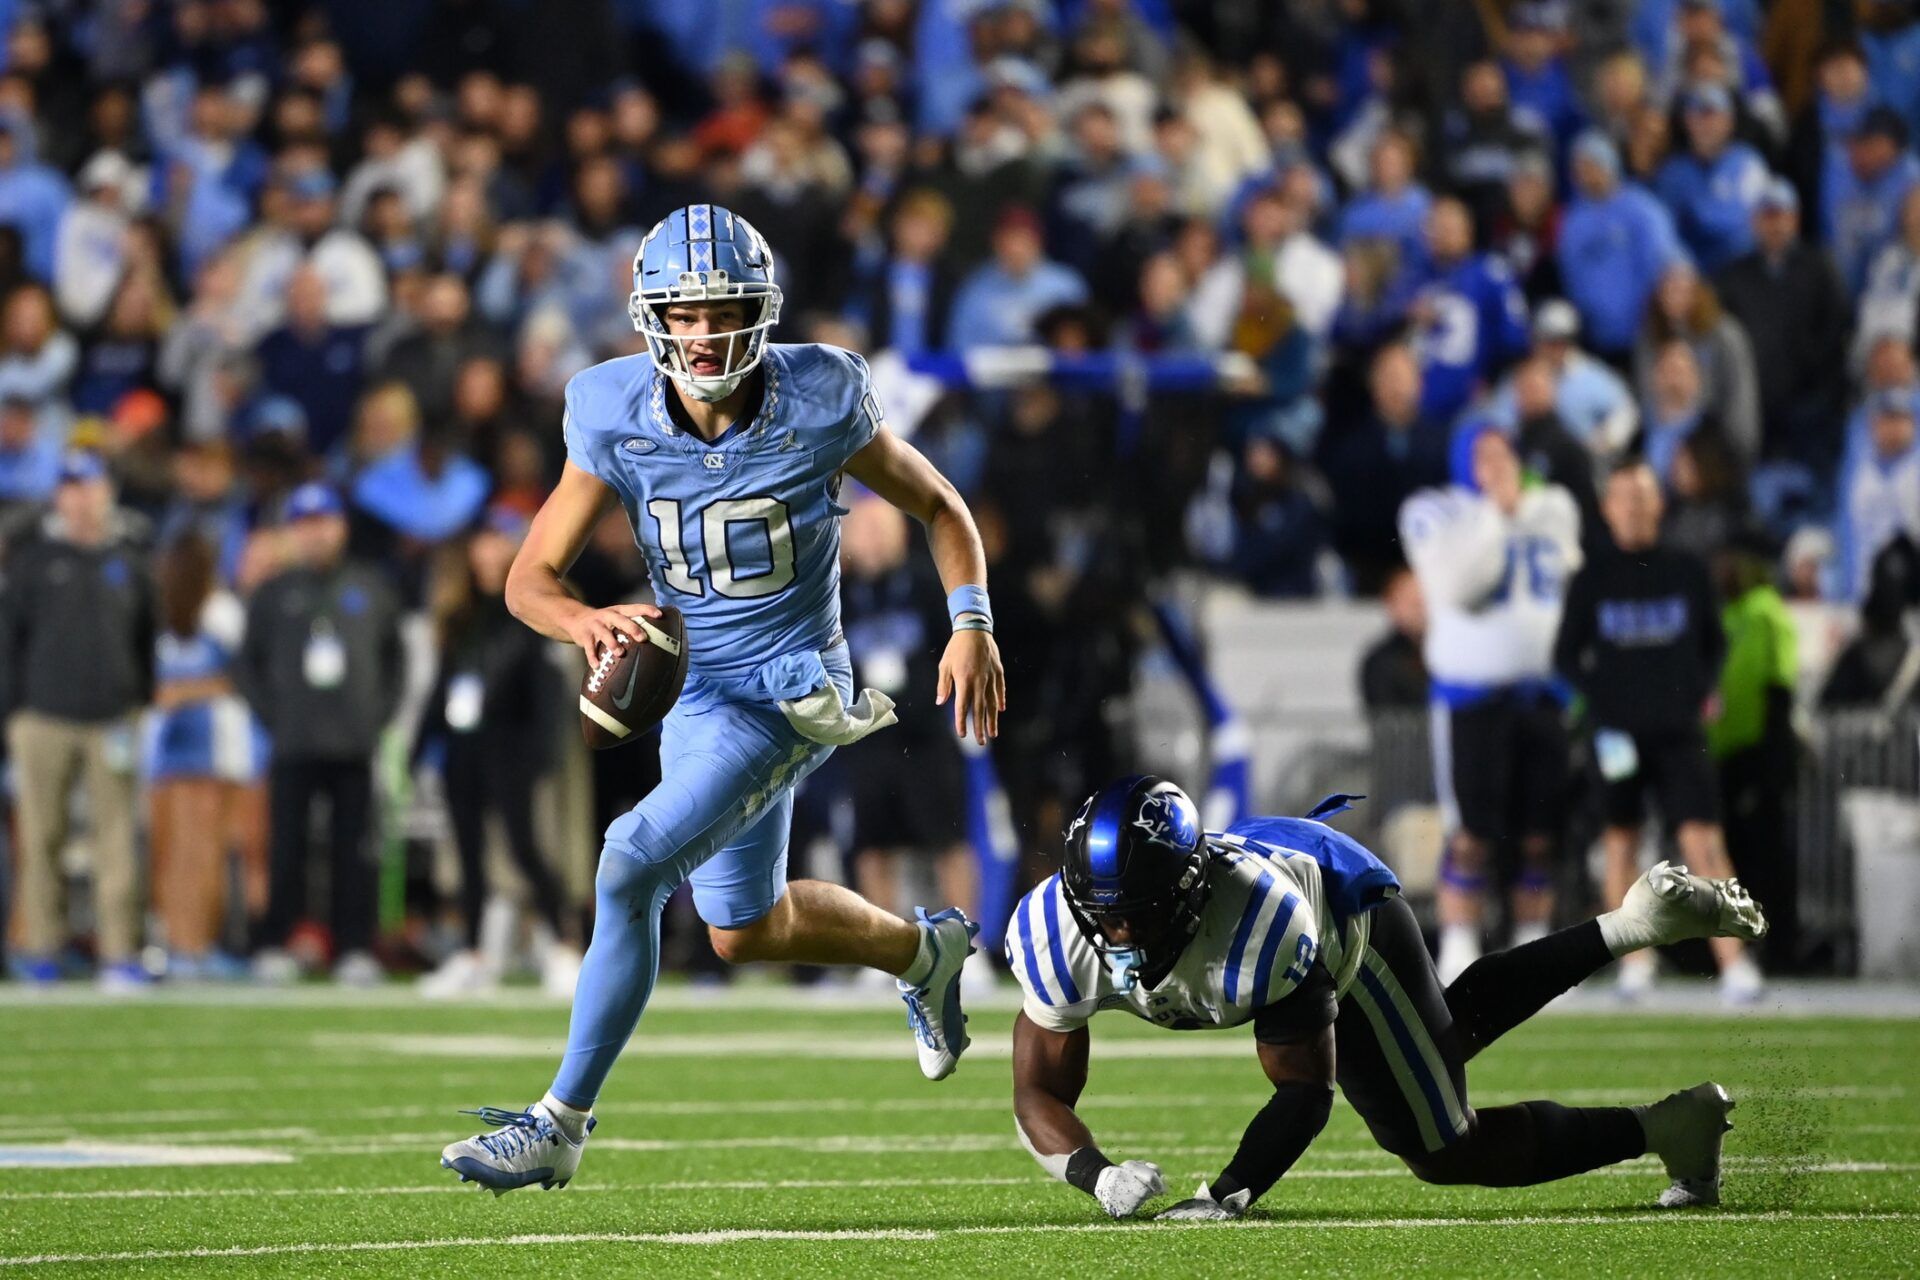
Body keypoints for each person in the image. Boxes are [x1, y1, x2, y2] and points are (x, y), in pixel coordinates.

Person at [439, 204, 1005, 1195]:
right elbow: (527, 577)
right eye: (684, 313)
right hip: (696, 689)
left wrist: (972, 621)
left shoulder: (823, 393)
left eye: (724, 310)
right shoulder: (609, 407)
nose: (704, 334)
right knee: (747, 925)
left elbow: (939, 505)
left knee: (627, 861)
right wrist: (583, 621)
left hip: (793, 686)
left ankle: (560, 1120)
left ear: (761, 312)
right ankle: (927, 950)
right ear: (652, 317)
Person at [1005, 775, 1768, 1221]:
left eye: (1136, 908)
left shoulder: (1265, 928)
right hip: (1275, 871)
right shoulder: (1054, 928)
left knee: (1442, 1145)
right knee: (1442, 1036)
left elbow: (1306, 1091)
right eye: (1101, 909)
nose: (1118, 930)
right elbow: (1035, 1087)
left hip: (1342, 916)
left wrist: (1224, 1194)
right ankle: (1632, 925)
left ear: (1190, 891)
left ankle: (1666, 1127)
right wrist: (1094, 1172)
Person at [1554, 460, 1763, 1003]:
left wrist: (1703, 689)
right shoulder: (1592, 577)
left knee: (1703, 840)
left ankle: (1736, 963)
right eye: (1623, 497)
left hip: (1677, 730)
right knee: (1620, 841)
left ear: (1659, 504)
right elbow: (1565, 656)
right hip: (1617, 735)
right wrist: (1603, 704)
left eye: (1643, 496)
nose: (1634, 507)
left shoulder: (1687, 570)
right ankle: (1633, 964)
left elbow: (1714, 643)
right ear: (1607, 508)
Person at [1399, 428, 1583, 984]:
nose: (1495, 467)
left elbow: (1563, 577)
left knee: (1538, 835)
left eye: (1504, 455)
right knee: (1471, 834)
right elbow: (1458, 587)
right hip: (1471, 696)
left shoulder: (1552, 506)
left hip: (1542, 693)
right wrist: (1496, 516)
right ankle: (1459, 948)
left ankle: (1535, 950)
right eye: (1482, 456)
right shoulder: (1433, 511)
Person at [235, 482, 406, 986]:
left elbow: (395, 659)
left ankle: (353, 946)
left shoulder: (371, 587)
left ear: (341, 527)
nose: (315, 534)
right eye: (305, 525)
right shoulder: (273, 593)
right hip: (293, 744)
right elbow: (248, 665)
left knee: (353, 850)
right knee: (286, 848)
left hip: (353, 744)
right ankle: (275, 942)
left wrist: (377, 715)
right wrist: (276, 716)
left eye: (324, 523)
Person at [0, 451, 153, 988]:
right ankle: (41, 949)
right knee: (41, 837)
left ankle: (119, 953)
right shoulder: (34, 561)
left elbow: (145, 640)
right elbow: (9, 643)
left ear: (106, 492)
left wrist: (139, 703)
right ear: (58, 498)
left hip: (113, 717)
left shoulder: (129, 560)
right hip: (42, 717)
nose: (80, 498)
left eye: (88, 486)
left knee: (116, 839)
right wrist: (12, 715)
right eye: (69, 488)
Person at [415, 509, 579, 999]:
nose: (488, 553)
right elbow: (440, 687)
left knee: (525, 847)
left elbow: (548, 691)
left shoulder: (531, 609)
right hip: (464, 749)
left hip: (512, 746)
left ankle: (565, 946)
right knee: (467, 855)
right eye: (482, 541)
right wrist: (421, 748)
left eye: (497, 541)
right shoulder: (460, 614)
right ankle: (472, 953)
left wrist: (545, 753)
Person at [145, 532, 268, 981]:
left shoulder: (219, 612)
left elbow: (243, 676)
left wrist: (183, 693)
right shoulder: (175, 612)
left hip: (212, 741)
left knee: (196, 851)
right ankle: (183, 943)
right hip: (175, 743)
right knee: (185, 852)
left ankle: (193, 943)